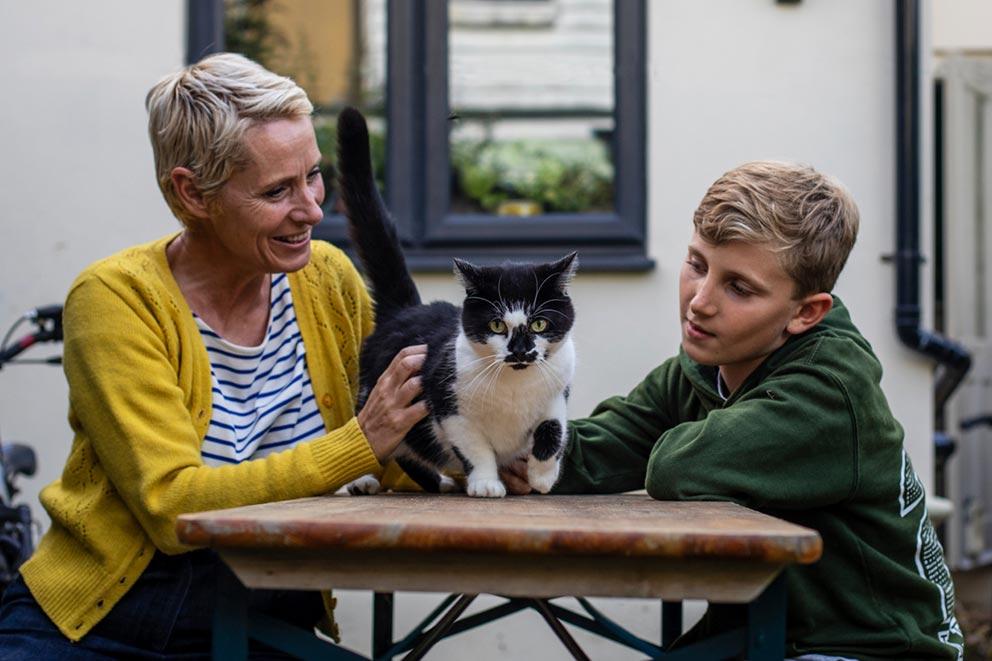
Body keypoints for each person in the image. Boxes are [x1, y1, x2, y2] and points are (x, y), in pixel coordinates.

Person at [0, 53, 428, 658]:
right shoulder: (117, 298)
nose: (311, 209)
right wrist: (360, 443)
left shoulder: (328, 279)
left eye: (313, 174)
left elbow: (392, 451)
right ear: (192, 193)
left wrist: (479, 460)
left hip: (267, 616)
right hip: (108, 620)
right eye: (277, 190)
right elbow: (172, 505)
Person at [502, 161, 964, 660]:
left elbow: (676, 467)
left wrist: (642, 448)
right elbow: (597, 448)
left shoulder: (830, 390)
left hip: (871, 648)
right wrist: (504, 445)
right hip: (768, 630)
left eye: (738, 288)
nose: (699, 302)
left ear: (806, 312)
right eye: (697, 264)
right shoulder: (705, 366)